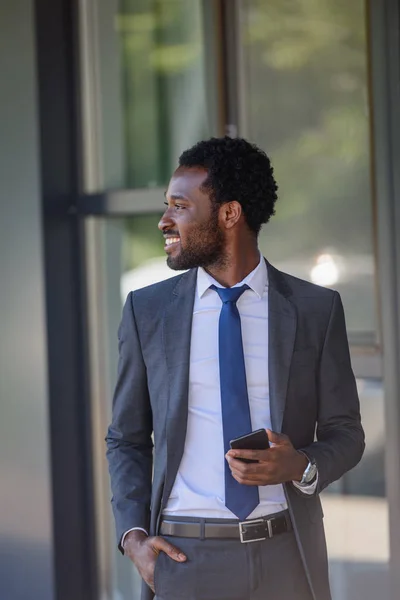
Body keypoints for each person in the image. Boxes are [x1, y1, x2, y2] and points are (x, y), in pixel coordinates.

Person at [106, 137, 365, 600]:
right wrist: (132, 537)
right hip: (184, 559)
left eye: (180, 207)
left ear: (229, 214)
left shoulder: (314, 309)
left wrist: (300, 465)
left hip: (286, 555)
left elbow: (347, 433)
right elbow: (125, 438)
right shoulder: (147, 311)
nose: (165, 221)